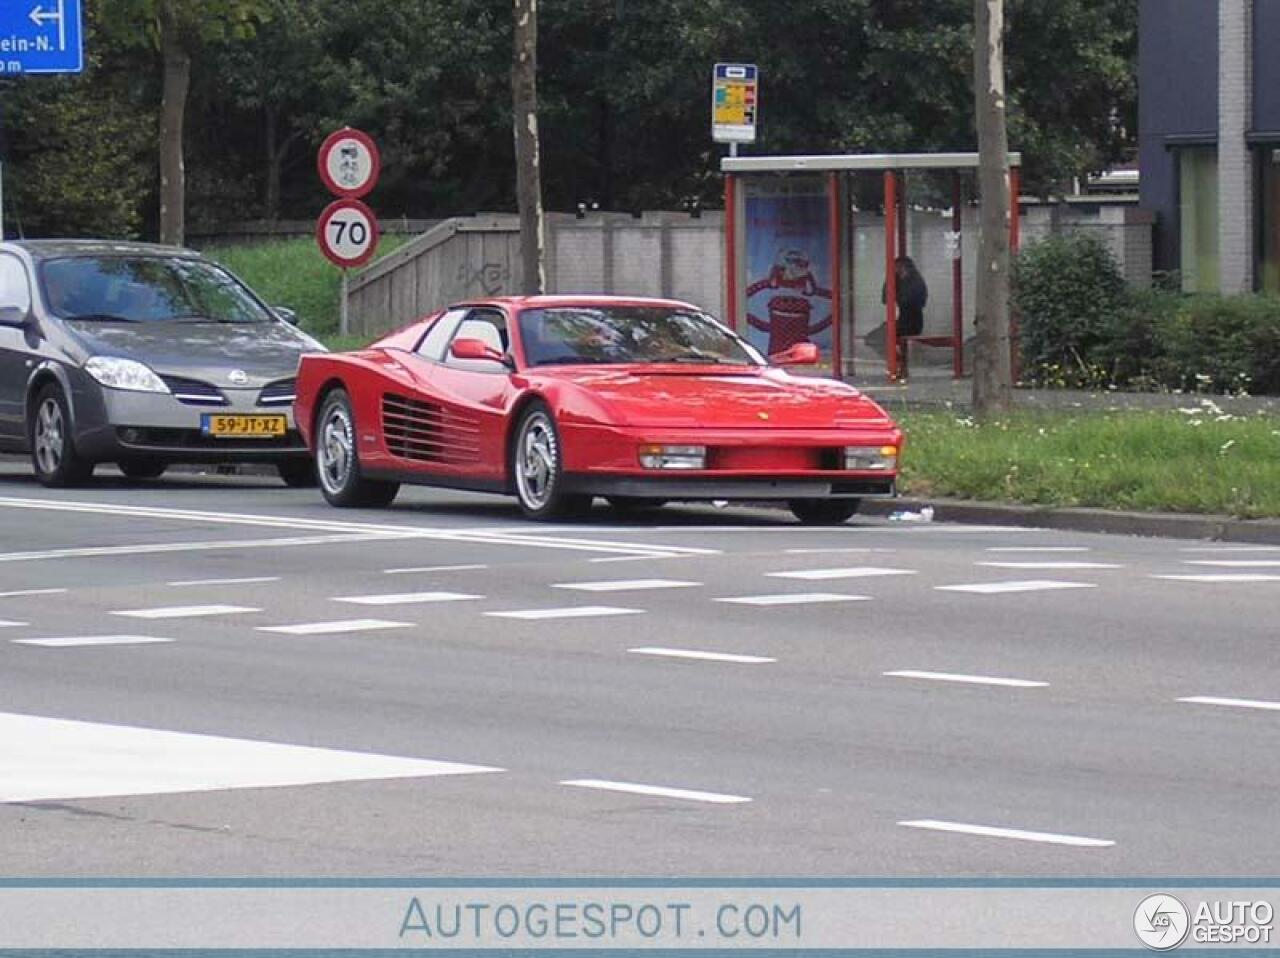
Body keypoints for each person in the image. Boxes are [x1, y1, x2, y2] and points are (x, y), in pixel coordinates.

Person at [881, 256, 928, 375]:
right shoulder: (898, 280)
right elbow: (885, 299)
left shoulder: (915, 281)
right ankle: (899, 362)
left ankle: (899, 363)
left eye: (896, 267)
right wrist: (890, 280)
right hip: (903, 320)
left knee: (886, 333)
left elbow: (912, 301)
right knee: (880, 334)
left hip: (913, 322)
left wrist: (897, 294)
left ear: (903, 267)